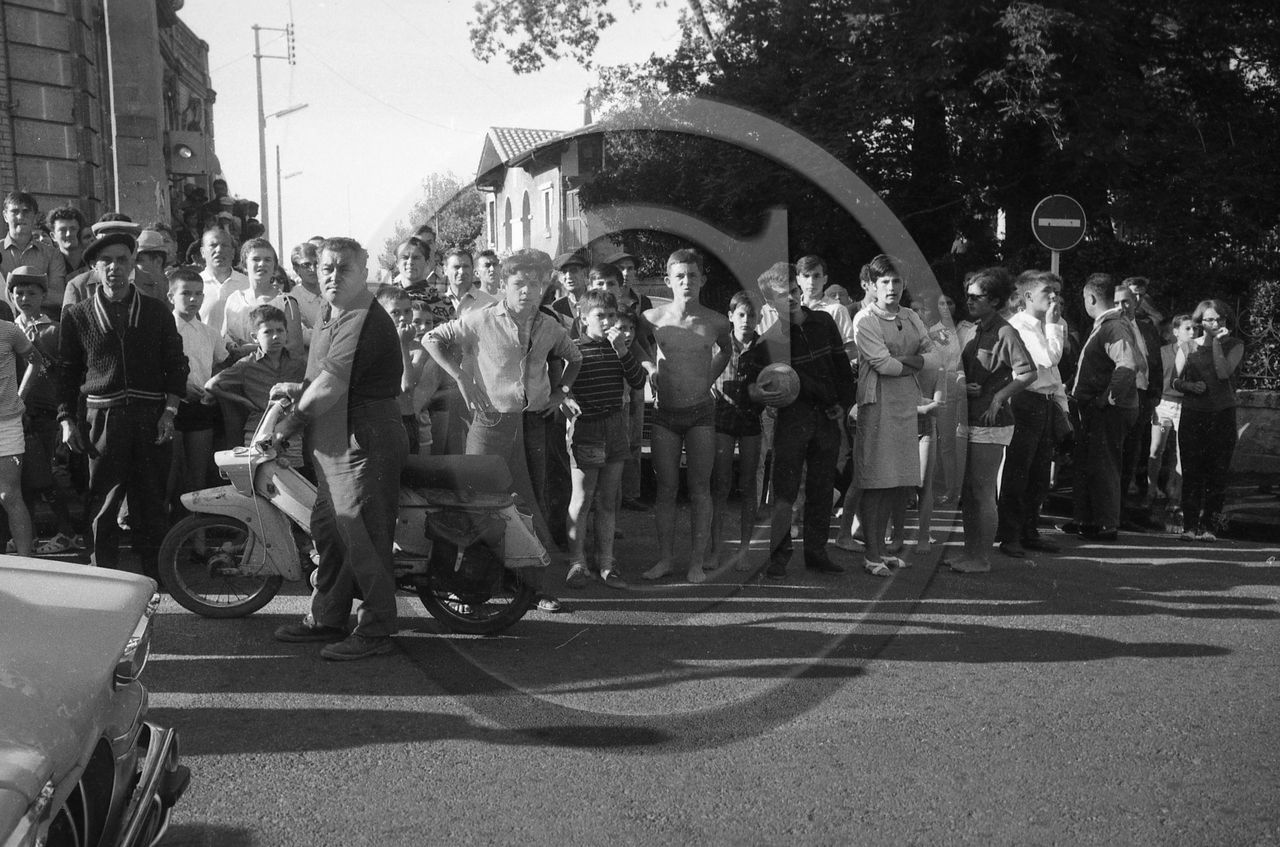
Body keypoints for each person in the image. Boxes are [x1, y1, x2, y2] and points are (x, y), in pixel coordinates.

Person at [269, 237, 408, 661]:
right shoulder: (335, 314)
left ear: (363, 272)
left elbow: (332, 385)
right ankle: (328, 617)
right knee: (331, 533)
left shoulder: (361, 317)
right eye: (325, 268)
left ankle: (377, 628)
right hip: (337, 442)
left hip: (362, 440)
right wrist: (298, 389)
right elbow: (325, 376)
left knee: (363, 535)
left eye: (343, 268)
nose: (332, 276)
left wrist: (291, 422)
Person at [423, 247, 581, 613]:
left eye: (537, 283)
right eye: (519, 283)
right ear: (505, 285)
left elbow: (575, 357)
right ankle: (466, 591)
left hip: (534, 425)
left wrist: (561, 393)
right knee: (475, 503)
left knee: (530, 505)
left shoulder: (550, 326)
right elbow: (432, 339)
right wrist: (461, 376)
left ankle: (535, 588)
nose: (528, 290)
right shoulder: (479, 319)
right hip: (490, 423)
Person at [59, 229, 187, 578]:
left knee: (150, 502)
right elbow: (67, 374)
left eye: (122, 260)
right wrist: (67, 419)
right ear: (95, 268)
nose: (114, 267)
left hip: (150, 416)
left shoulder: (157, 311)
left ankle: (156, 580)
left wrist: (170, 411)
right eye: (106, 261)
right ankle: (103, 578)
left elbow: (176, 364)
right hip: (102, 418)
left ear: (132, 265)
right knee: (102, 502)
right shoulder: (77, 315)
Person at [740, 263, 856, 578]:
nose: (790, 299)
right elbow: (750, 386)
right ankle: (778, 558)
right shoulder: (767, 343)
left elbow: (842, 367)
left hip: (827, 419)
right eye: (781, 296)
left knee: (822, 489)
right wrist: (759, 394)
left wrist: (843, 404)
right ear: (768, 304)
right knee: (785, 494)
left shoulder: (824, 321)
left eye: (793, 290)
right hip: (793, 421)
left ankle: (817, 553)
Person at [637, 248, 731, 584]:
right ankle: (664, 559)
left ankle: (695, 562)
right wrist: (649, 366)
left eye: (692, 275)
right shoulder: (653, 318)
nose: (686, 282)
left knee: (700, 489)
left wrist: (708, 378)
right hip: (665, 415)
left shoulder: (717, 321)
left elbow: (727, 351)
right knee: (665, 489)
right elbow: (636, 342)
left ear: (703, 279)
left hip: (701, 414)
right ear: (668, 280)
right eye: (679, 276)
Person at [848, 255, 936, 576]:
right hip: (877, 405)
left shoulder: (911, 316)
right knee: (877, 482)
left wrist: (908, 359)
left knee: (897, 483)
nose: (891, 288)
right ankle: (871, 554)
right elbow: (883, 365)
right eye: (884, 282)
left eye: (896, 281)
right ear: (871, 285)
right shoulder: (864, 320)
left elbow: (934, 355)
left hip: (906, 405)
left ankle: (883, 550)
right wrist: (914, 360)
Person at [946, 268, 1035, 573]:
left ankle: (981, 558)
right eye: (967, 294)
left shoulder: (1006, 332)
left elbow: (1028, 372)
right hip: (970, 416)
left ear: (995, 300)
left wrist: (1000, 396)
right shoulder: (974, 328)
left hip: (990, 423)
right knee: (970, 490)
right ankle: (970, 553)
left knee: (982, 490)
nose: (968, 300)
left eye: (977, 296)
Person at [561, 289, 647, 589]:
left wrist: (623, 351)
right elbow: (561, 388)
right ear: (583, 320)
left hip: (615, 427)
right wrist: (566, 402)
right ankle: (577, 562)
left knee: (608, 500)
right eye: (600, 316)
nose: (608, 321)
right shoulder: (572, 349)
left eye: (612, 315)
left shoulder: (619, 348)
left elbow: (639, 382)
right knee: (582, 499)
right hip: (587, 428)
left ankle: (607, 563)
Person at [996, 270, 1068, 558]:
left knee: (1039, 473)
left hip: (1046, 401)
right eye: (1047, 292)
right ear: (1027, 297)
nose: (1054, 297)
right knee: (1018, 470)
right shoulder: (1021, 326)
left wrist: (1062, 405)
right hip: (1025, 401)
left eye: (1056, 292)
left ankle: (1029, 529)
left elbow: (1054, 373)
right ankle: (1010, 534)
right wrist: (1053, 326)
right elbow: (1048, 358)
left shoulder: (1049, 324)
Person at [1067, 273, 1139, 541]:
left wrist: (1106, 398)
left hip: (1107, 410)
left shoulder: (1112, 326)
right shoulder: (1108, 324)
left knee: (1104, 463)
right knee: (1091, 463)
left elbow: (1127, 366)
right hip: (1097, 407)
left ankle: (1106, 523)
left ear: (1091, 298)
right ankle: (1088, 520)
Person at [1174, 300, 1244, 542]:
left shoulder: (1235, 344)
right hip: (1194, 413)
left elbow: (1224, 372)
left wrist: (1215, 342)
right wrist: (1189, 385)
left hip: (1222, 413)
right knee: (1192, 470)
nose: (1216, 323)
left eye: (1220, 319)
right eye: (1210, 319)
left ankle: (1210, 527)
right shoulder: (1187, 346)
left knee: (1217, 473)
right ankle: (1189, 526)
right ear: (1200, 321)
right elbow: (1175, 381)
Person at [207, 304, 307, 467]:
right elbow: (212, 385)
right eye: (268, 332)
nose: (275, 336)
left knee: (293, 479)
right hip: (257, 430)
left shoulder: (297, 364)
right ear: (255, 337)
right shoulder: (247, 364)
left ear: (287, 334)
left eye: (280, 331)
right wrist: (243, 401)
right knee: (258, 478)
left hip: (290, 432)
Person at [5, 268, 60, 555]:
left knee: (47, 476)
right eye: (19, 293)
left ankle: (67, 532)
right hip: (18, 417)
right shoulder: (10, 327)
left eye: (31, 293)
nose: (24, 298)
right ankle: (31, 536)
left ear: (43, 296)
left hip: (44, 412)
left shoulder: (52, 330)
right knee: (22, 481)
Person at [710, 290, 765, 571]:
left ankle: (744, 550)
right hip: (721, 421)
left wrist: (765, 393)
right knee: (720, 485)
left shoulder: (764, 348)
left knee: (748, 487)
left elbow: (775, 385)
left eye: (751, 315)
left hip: (751, 423)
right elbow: (705, 375)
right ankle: (715, 550)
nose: (746, 320)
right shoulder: (719, 345)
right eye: (741, 314)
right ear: (730, 317)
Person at [166, 267, 227, 513]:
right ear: (171, 296)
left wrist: (212, 388)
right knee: (169, 474)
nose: (193, 299)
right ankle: (166, 534)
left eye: (199, 294)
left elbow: (222, 364)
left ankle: (198, 536)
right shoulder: (163, 328)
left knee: (198, 475)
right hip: (169, 407)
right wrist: (179, 388)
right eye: (186, 294)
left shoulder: (209, 333)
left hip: (200, 408)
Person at [1115, 280, 1161, 517]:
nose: (1136, 302)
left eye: (1140, 297)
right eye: (1131, 296)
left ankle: (1120, 512)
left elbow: (1155, 362)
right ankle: (1108, 512)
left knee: (1133, 454)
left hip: (1142, 397)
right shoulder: (1110, 325)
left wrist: (1155, 393)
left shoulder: (1146, 327)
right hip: (1118, 398)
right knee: (1115, 456)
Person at [1148, 314, 1196, 532]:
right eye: (1187, 328)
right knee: (1156, 448)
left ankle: (1175, 497)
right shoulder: (1164, 351)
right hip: (1163, 404)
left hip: (1184, 405)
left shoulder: (1196, 353)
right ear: (1176, 331)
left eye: (1194, 328)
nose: (1192, 333)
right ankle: (1151, 489)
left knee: (1180, 452)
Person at [0, 192, 66, 313]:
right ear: (5, 216)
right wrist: (36, 292)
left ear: (35, 217)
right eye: (14, 212)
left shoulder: (52, 255)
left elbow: (59, 297)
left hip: (41, 326)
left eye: (26, 211)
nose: (20, 217)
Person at [197, 227, 249, 330]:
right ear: (202, 252)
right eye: (213, 245)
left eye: (224, 245)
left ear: (233, 252)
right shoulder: (195, 284)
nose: (219, 250)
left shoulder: (247, 284)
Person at [48, 206, 89, 299]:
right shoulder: (48, 263)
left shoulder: (92, 261)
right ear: (53, 236)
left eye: (73, 229)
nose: (68, 234)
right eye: (62, 230)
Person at [551, 252, 589, 330]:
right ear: (559, 278)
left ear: (584, 273)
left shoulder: (597, 301)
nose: (569, 276)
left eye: (574, 270)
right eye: (564, 272)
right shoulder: (557, 307)